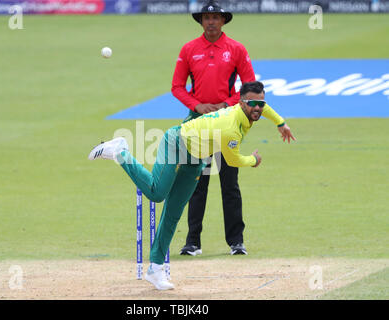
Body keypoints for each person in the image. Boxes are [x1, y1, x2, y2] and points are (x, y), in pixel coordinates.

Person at [88, 81, 296, 290]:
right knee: (156, 193)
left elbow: (264, 108)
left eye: (261, 103)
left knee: (174, 212)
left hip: (196, 160)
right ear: (241, 103)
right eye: (253, 104)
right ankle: (120, 152)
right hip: (176, 142)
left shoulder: (251, 108)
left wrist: (280, 123)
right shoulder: (230, 128)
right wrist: (253, 160)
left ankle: (156, 268)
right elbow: (233, 161)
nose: (258, 108)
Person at [172, 0, 260, 256]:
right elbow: (177, 87)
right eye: (206, 18)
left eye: (215, 17)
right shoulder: (189, 49)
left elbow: (250, 87)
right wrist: (197, 105)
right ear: (201, 21)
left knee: (229, 183)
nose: (211, 21)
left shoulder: (236, 49)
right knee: (195, 183)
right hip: (198, 125)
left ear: (223, 21)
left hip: (227, 123)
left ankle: (236, 241)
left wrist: (227, 104)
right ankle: (192, 242)